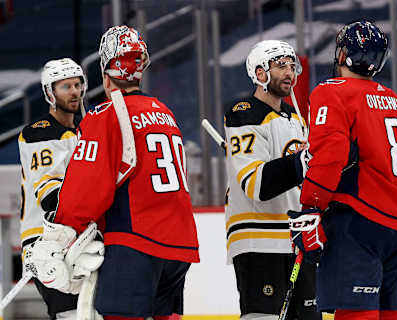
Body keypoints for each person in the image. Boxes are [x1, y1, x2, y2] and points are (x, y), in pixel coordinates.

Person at [27, 25, 200, 320]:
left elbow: (86, 188)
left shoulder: (105, 114)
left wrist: (58, 237)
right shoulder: (163, 112)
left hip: (135, 242)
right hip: (180, 244)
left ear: (105, 75)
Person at [289, 20, 397, 320]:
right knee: (393, 312)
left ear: (343, 54)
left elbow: (330, 156)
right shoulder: (390, 98)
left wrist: (312, 207)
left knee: (357, 312)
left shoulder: (332, 92)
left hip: (357, 220)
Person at [224, 40, 321, 320]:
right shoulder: (244, 113)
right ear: (260, 73)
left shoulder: (293, 116)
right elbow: (256, 185)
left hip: (297, 239)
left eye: (292, 65)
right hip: (259, 240)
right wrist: (303, 161)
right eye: (280, 66)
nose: (289, 72)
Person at [18, 57, 87, 319]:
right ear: (49, 92)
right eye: (65, 87)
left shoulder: (84, 131)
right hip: (45, 242)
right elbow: (52, 201)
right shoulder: (39, 133)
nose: (74, 92)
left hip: (79, 239)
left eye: (77, 85)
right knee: (69, 315)